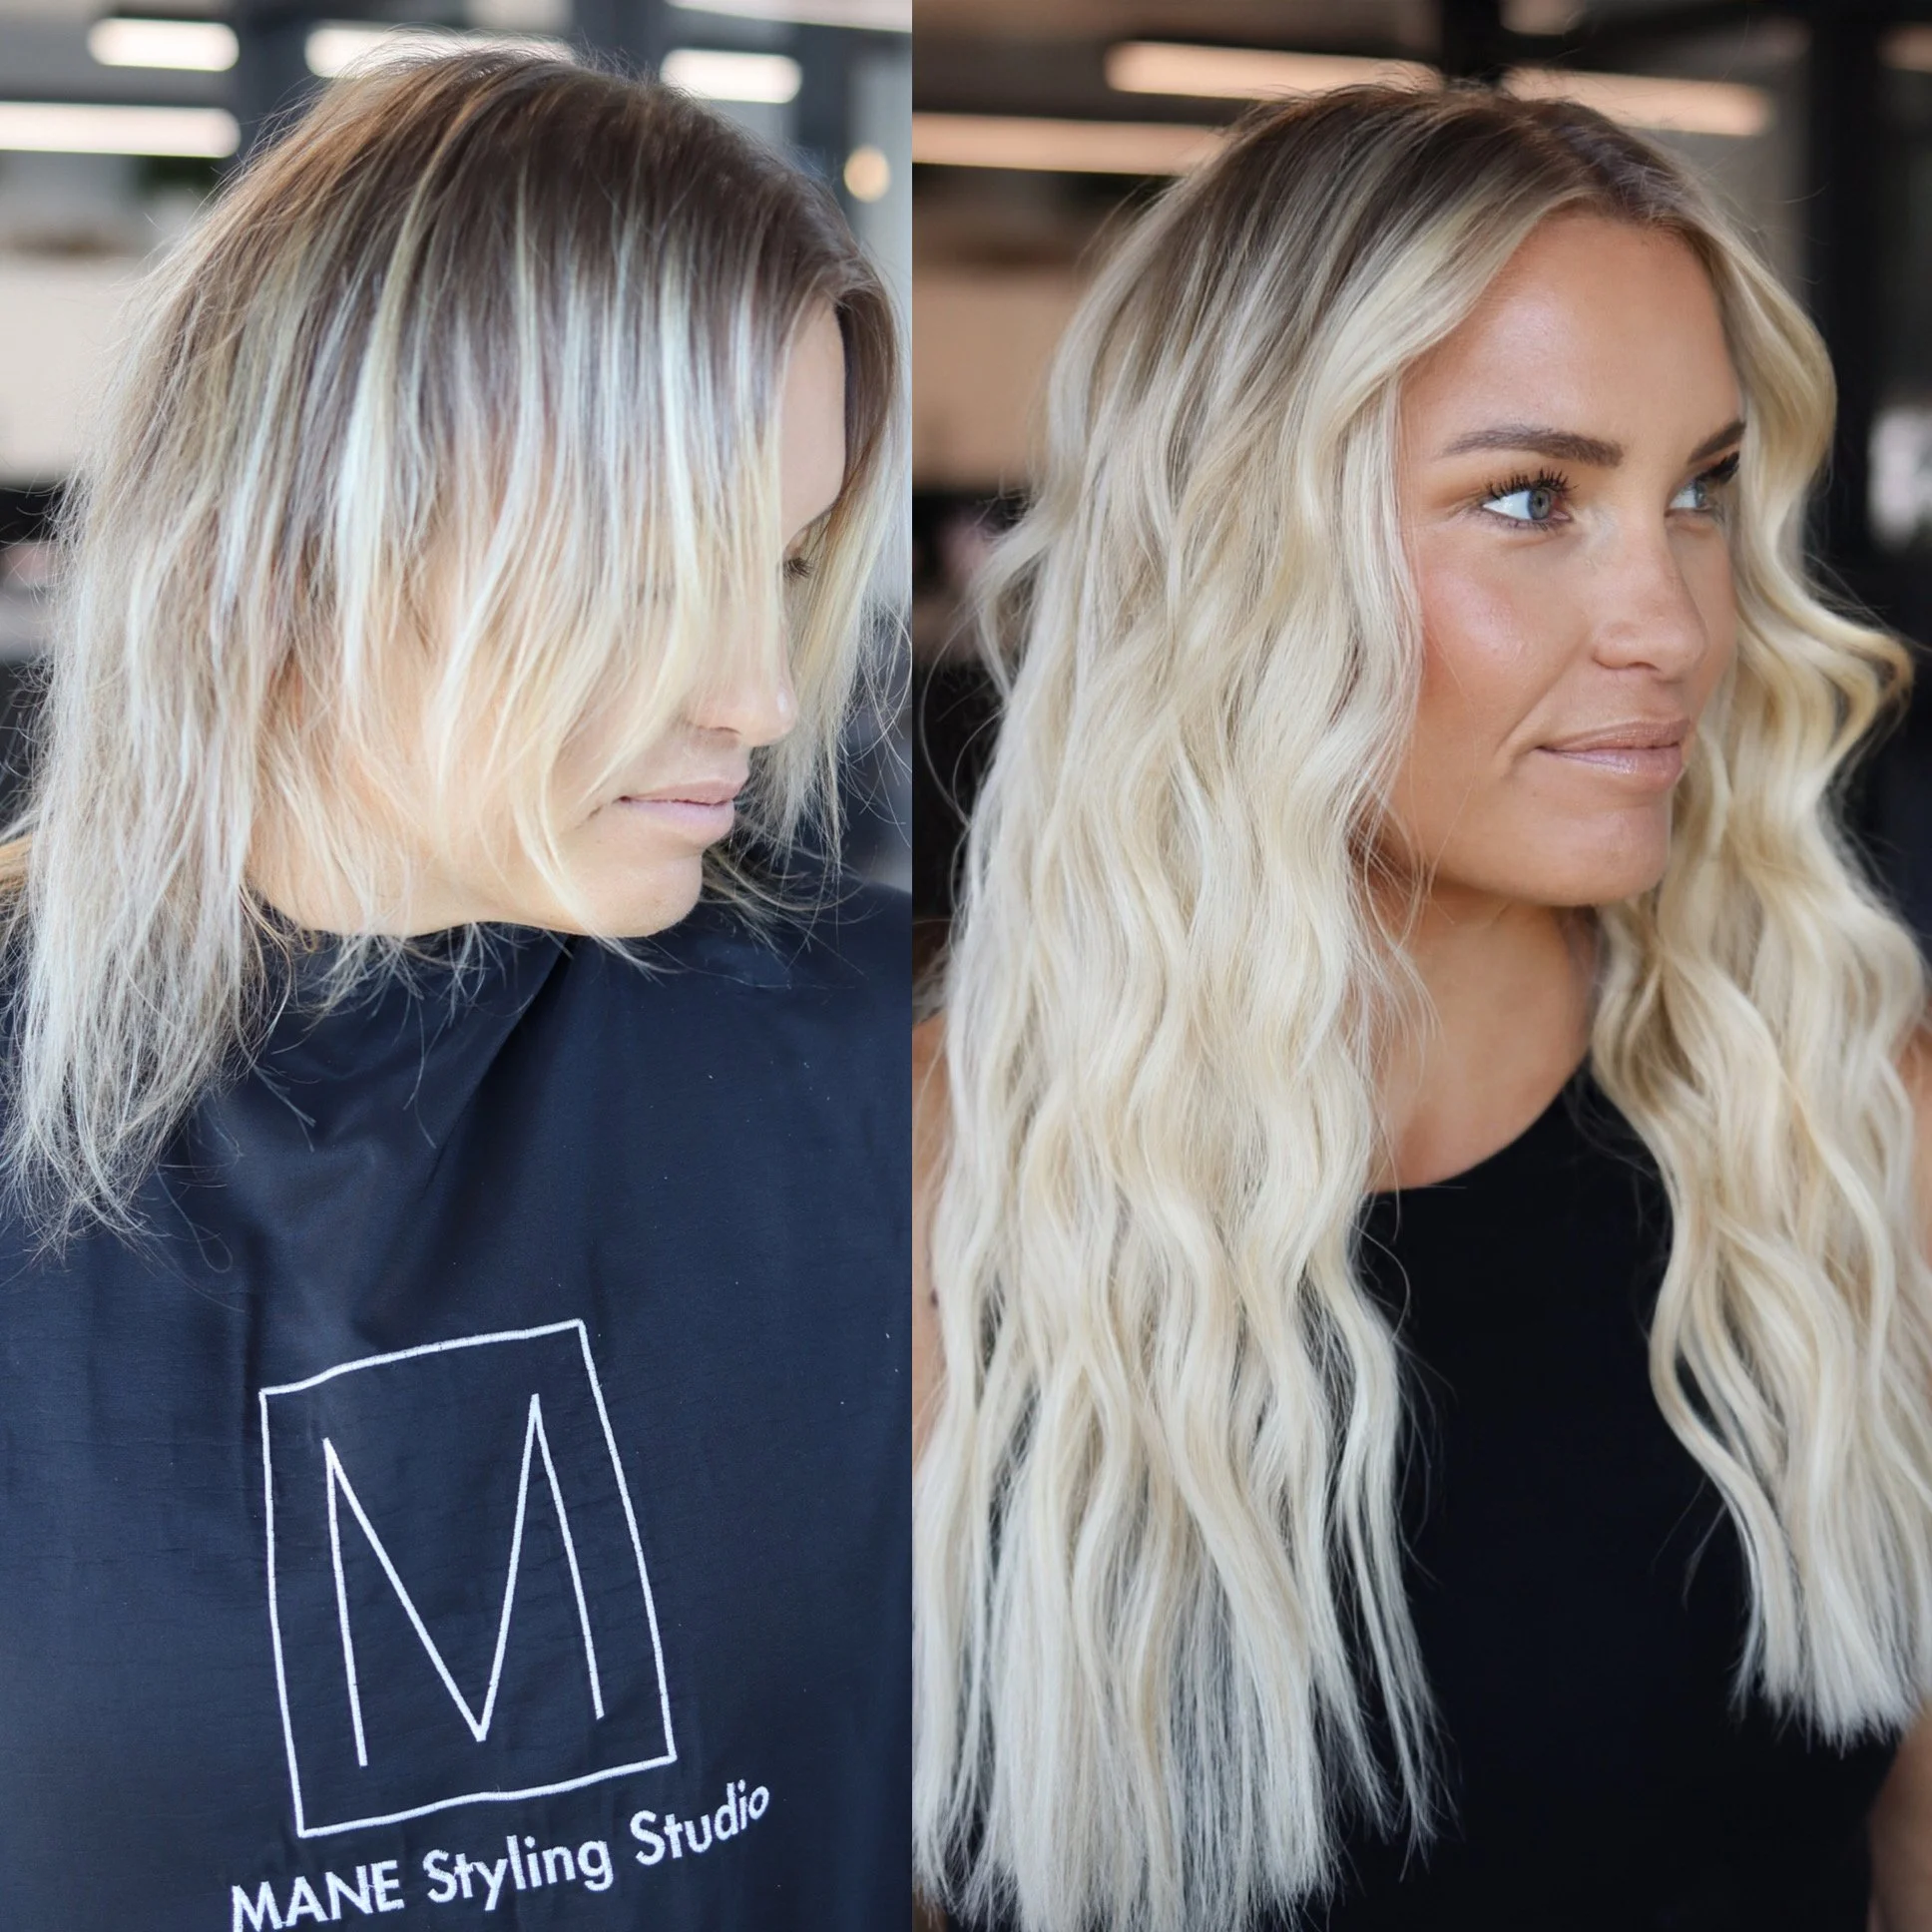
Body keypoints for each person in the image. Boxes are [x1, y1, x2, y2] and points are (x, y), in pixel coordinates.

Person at [913, 85, 1932, 1932]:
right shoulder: (927, 1185)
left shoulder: (1850, 1124)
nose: (1675, 624)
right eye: (1533, 499)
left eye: (1697, 490)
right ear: (1239, 548)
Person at [0, 50, 908, 1932]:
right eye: (655, 567)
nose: (754, 686)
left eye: (787, 559)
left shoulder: (887, 1060)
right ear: (324, 515)